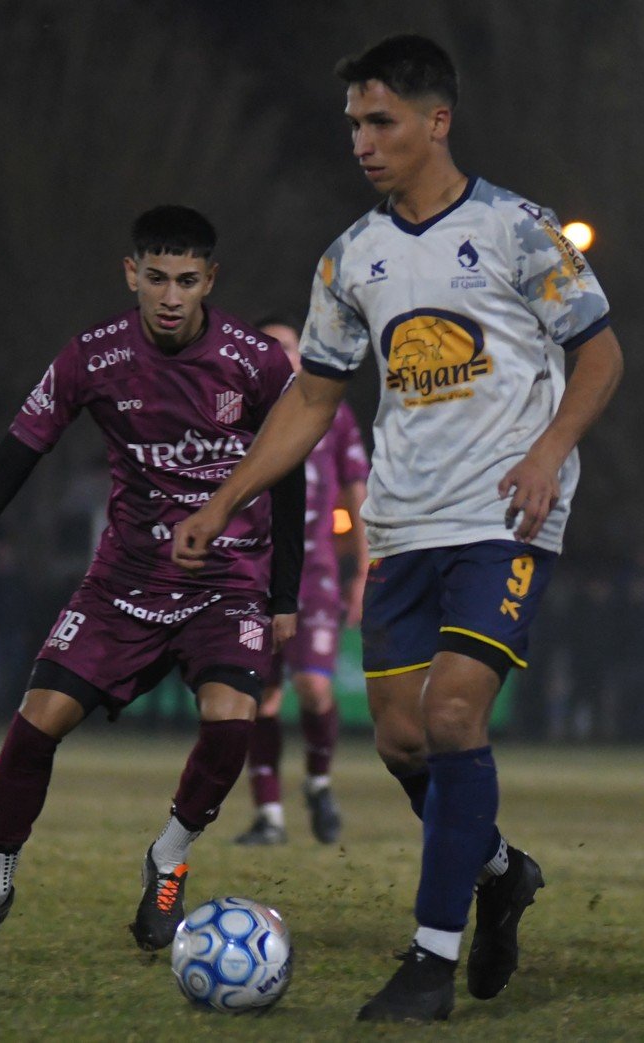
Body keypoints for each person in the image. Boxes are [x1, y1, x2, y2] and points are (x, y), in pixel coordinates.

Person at [173, 35, 624, 1022]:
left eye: (380, 122)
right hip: (403, 523)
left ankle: (429, 959)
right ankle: (499, 871)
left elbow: (598, 356)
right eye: (353, 126)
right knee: (401, 737)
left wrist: (547, 452)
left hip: (502, 518)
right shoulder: (351, 257)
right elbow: (310, 398)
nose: (363, 143)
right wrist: (223, 499)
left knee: (456, 714)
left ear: (436, 120)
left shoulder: (517, 232)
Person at [0, 205, 304, 953]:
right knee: (34, 725)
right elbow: (10, 465)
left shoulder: (257, 362)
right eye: (156, 278)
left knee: (230, 721)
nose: (171, 295)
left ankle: (169, 856)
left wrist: (283, 594)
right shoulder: (92, 358)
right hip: (124, 581)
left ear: (210, 279)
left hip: (228, 582)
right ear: (131, 275)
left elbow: (289, 473)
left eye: (186, 279)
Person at [234, 316, 369, 847]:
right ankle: (269, 818)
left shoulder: (330, 411)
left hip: (312, 575)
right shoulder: (240, 414)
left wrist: (363, 568)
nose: (278, 354)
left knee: (314, 687)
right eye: (267, 347)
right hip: (252, 575)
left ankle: (318, 782)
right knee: (257, 699)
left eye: (286, 346)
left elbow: (357, 493)